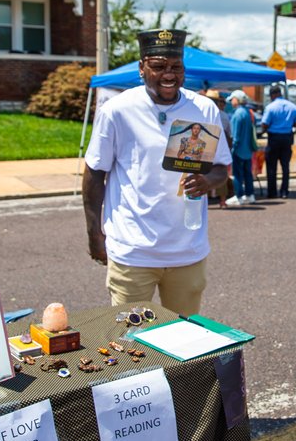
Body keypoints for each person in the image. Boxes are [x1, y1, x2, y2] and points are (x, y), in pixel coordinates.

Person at [82, 29, 231, 315]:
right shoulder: (117, 110)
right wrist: (94, 234)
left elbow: (221, 169)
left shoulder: (204, 109)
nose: (169, 74)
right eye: (159, 66)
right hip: (133, 252)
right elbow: (94, 174)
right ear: (142, 68)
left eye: (176, 67)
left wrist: (207, 180)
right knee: (131, 345)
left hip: (187, 251)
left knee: (185, 339)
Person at [260, 85, 296, 198]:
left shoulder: (270, 107)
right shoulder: (292, 106)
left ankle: (272, 192)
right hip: (287, 138)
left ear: (273, 95)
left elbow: (265, 123)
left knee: (271, 166)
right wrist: (288, 124)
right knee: (285, 166)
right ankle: (284, 191)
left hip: (274, 138)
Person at [226, 89, 257, 206]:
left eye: (232, 99)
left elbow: (235, 136)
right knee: (247, 173)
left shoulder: (238, 114)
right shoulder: (247, 112)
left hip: (238, 150)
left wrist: (232, 148)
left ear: (237, 100)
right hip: (247, 149)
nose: (231, 101)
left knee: (237, 174)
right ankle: (250, 195)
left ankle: (239, 196)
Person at [206, 89, 234, 208]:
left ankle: (205, 199)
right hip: (219, 144)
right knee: (220, 171)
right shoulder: (223, 115)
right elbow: (229, 132)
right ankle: (222, 200)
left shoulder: (203, 111)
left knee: (204, 171)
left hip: (207, 144)